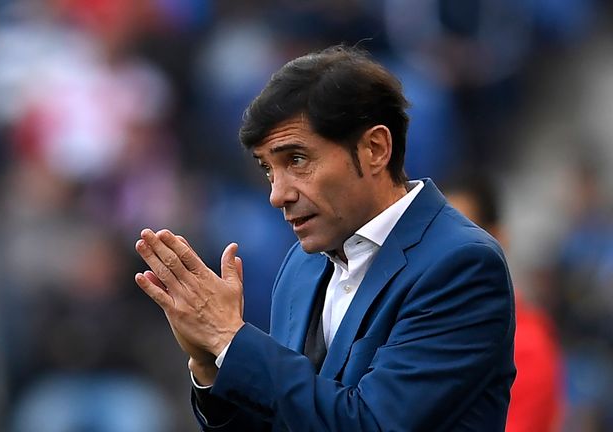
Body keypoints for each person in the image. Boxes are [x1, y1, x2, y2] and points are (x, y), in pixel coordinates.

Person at [134, 45, 516, 431]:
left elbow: (373, 424)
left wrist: (231, 340)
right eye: (268, 169)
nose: (277, 194)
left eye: (296, 160)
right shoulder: (302, 264)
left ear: (375, 149)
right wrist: (211, 364)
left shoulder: (461, 264)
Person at [445, 178, 565, 432]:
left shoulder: (528, 344)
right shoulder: (417, 324)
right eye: (438, 236)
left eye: (461, 235)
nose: (445, 252)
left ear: (498, 238)